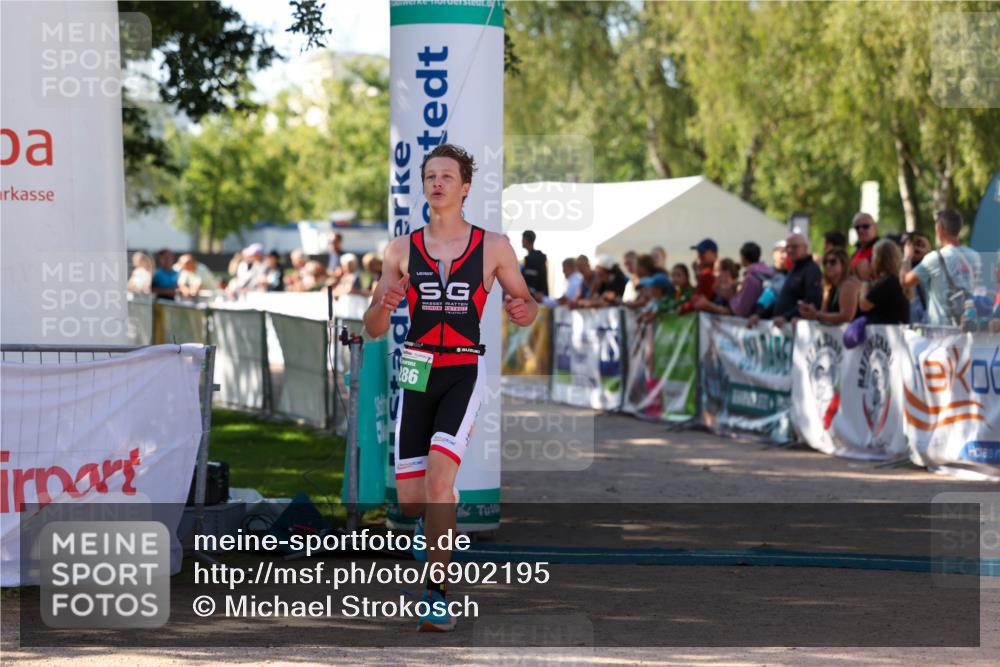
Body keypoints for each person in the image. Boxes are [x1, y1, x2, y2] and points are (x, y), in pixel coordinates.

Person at [362, 143, 537, 632]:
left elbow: (526, 302)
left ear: (464, 188)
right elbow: (373, 326)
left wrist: (525, 311)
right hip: (417, 370)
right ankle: (430, 524)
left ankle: (436, 595)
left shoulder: (494, 246)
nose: (436, 183)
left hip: (462, 371)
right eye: (429, 176)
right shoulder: (400, 250)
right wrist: (385, 306)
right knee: (413, 500)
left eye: (446, 176)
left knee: (441, 483)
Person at [901, 209, 981, 327]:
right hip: (965, 326)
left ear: (940, 228)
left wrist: (907, 256)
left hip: (940, 331)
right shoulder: (974, 256)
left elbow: (904, 281)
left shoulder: (933, 259)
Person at [754, 233, 822, 328]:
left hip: (796, 331)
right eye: (787, 247)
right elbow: (781, 299)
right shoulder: (793, 269)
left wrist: (786, 317)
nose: (790, 250)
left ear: (805, 248)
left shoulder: (811, 269)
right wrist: (760, 315)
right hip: (780, 329)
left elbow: (811, 301)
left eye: (794, 247)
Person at [798, 248, 861, 325]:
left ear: (844, 264)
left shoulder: (849, 284)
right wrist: (812, 312)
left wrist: (816, 315)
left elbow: (846, 316)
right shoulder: (829, 286)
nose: (828, 265)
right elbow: (824, 314)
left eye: (833, 262)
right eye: (825, 262)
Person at [859, 239, 910, 325]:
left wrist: (865, 281)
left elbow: (864, 305)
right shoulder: (895, 279)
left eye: (872, 256)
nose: (871, 260)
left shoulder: (888, 281)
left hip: (888, 334)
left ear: (878, 258)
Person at [728, 242, 774, 318]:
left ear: (743, 258)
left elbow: (742, 310)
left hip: (755, 322)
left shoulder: (751, 279)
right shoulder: (766, 272)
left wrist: (731, 297)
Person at [900, 231, 932, 323]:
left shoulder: (935, 267)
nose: (916, 248)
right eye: (912, 245)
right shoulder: (901, 268)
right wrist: (907, 258)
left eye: (920, 244)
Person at [681, 238, 717, 314]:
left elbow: (697, 301)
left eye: (703, 252)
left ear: (714, 254)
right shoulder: (706, 274)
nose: (699, 255)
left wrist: (682, 309)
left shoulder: (708, 275)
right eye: (699, 252)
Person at [849, 212, 879, 281]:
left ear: (875, 227)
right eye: (857, 227)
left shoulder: (882, 250)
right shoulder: (855, 252)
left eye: (865, 226)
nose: (861, 230)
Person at [520, 230, 549, 301]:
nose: (521, 241)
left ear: (526, 240)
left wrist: (539, 292)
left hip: (535, 297)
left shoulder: (534, 258)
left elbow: (539, 276)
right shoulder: (535, 257)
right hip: (535, 296)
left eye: (523, 239)